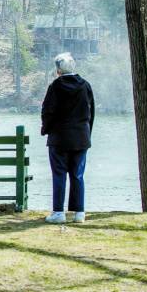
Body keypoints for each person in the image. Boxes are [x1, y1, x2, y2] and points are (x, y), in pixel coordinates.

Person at [41, 52, 94, 224]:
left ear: (58, 70)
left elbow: (47, 111)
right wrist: (87, 133)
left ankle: (58, 212)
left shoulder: (55, 87)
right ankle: (79, 213)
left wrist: (46, 130)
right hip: (81, 137)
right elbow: (90, 113)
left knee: (59, 174)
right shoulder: (85, 86)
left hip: (59, 138)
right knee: (78, 175)